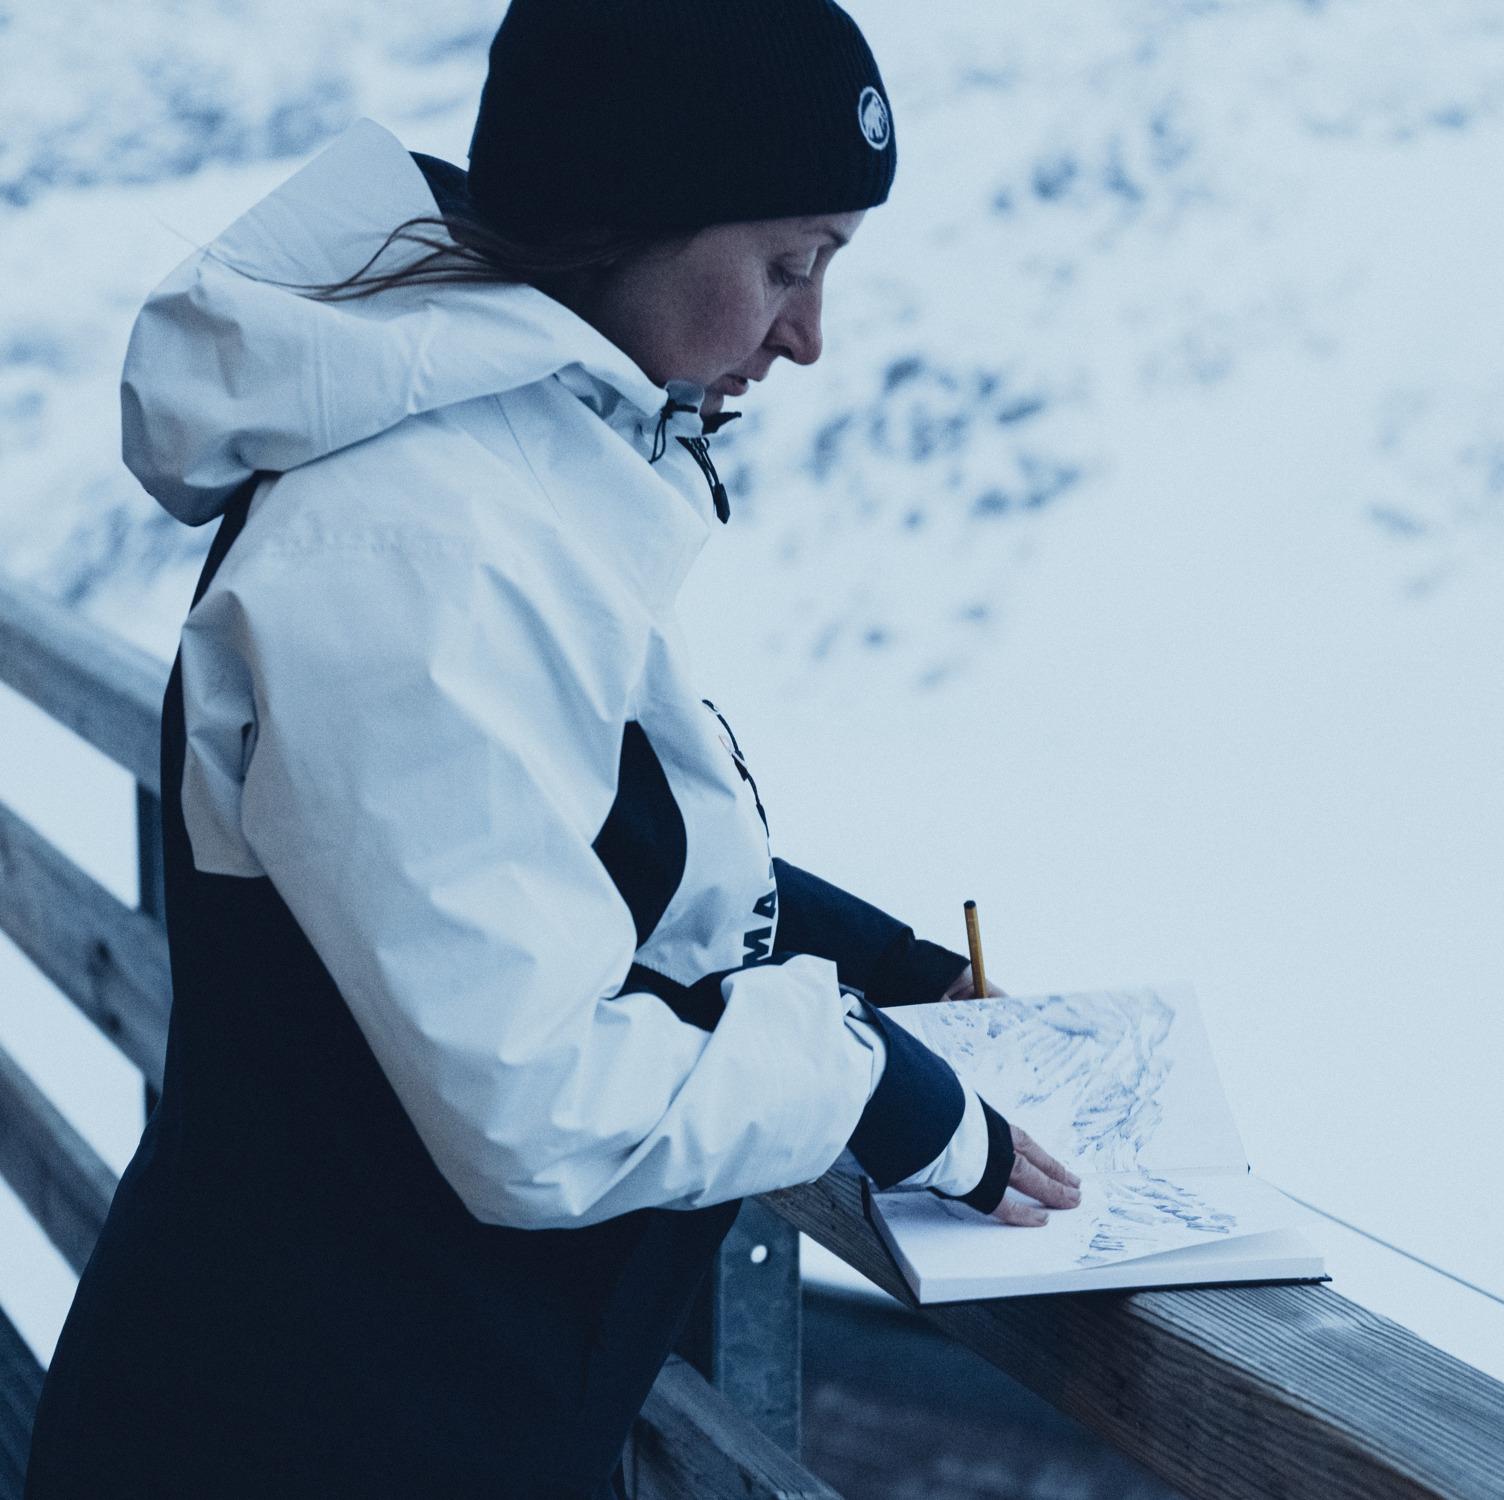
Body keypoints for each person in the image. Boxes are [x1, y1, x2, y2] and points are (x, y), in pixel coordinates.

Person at [24, 3, 1081, 1496]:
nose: (808, 337)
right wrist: (875, 1086)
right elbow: (533, 1098)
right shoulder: (412, 540)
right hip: (299, 1439)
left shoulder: (515, 471)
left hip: (391, 1414)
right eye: (790, 266)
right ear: (631, 217)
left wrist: (893, 971)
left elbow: (582, 837)